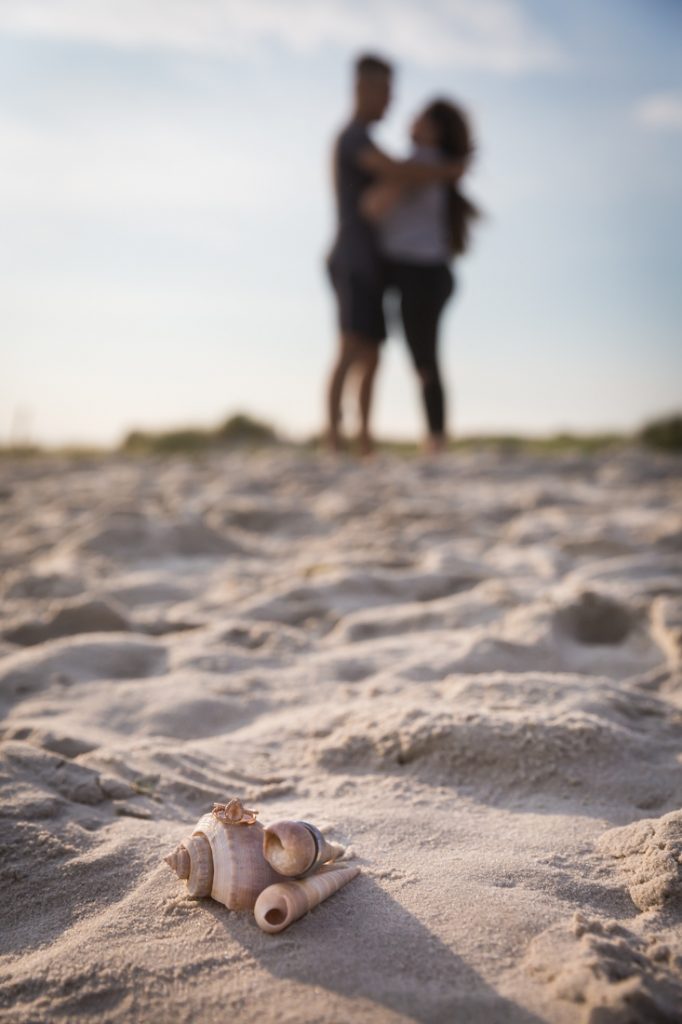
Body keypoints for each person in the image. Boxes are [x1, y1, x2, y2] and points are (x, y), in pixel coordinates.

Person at [326, 57, 466, 455]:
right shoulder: (356, 138)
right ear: (365, 89)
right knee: (357, 345)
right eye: (386, 91)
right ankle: (337, 439)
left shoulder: (401, 154)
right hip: (359, 258)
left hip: (387, 266)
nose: (392, 102)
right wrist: (450, 170)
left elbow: (390, 185)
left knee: (376, 351)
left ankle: (365, 440)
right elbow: (390, 180)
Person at [362, 99, 479, 453]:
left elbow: (374, 207)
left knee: (423, 359)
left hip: (420, 272)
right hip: (427, 272)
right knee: (424, 358)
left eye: (421, 118)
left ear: (434, 129)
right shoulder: (434, 167)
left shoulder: (419, 164)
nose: (411, 120)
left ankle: (435, 439)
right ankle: (435, 436)